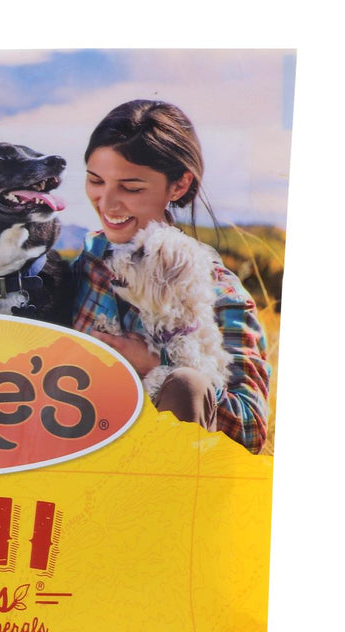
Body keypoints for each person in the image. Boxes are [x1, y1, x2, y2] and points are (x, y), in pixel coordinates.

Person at [71, 100, 270, 454]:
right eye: (95, 181)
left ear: (178, 185)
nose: (107, 203)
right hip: (71, 463)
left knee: (188, 383)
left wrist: (156, 366)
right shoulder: (83, 267)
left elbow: (252, 429)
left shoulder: (220, 293)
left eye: (131, 187)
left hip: (158, 473)